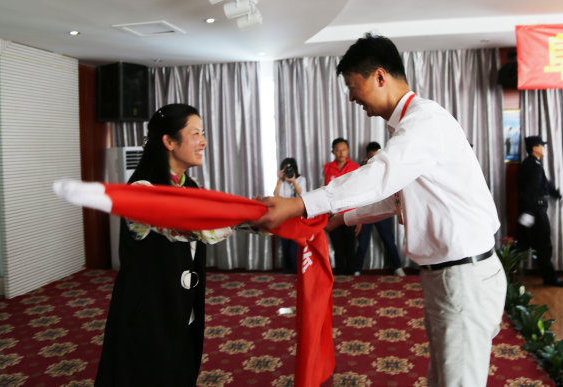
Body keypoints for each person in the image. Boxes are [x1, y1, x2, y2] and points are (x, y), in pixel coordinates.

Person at [255, 33, 506, 387]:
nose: (351, 97)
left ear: (379, 76)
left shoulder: (424, 121)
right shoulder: (408, 126)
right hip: (447, 276)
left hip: (463, 276)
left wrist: (299, 203)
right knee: (442, 379)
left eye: (352, 86)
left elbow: (380, 176)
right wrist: (339, 219)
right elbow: (394, 197)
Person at [95, 104, 233, 387]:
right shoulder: (141, 191)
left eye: (203, 133)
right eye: (195, 134)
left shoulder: (190, 186)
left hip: (181, 302)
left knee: (181, 370)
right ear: (169, 141)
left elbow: (216, 214)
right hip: (148, 311)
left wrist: (269, 215)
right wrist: (251, 216)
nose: (203, 142)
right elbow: (187, 227)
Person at [516, 135, 563, 287]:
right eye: (542, 145)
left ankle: (504, 275)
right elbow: (531, 190)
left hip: (530, 210)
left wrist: (559, 195)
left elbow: (544, 184)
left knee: (522, 246)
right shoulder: (534, 166)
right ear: (535, 148)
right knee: (543, 246)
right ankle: (550, 278)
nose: (544, 148)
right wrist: (530, 213)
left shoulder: (532, 164)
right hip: (535, 211)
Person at [355, 141, 405, 276]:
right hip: (365, 212)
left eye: (377, 157)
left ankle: (398, 267)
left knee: (389, 241)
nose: (374, 160)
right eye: (372, 157)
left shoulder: (385, 169)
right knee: (362, 244)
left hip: (381, 211)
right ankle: (357, 270)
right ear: (366, 157)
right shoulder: (360, 170)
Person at [323, 138, 361, 275]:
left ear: (348, 151)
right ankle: (339, 277)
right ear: (333, 152)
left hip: (350, 214)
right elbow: (323, 191)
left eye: (344, 149)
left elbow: (359, 192)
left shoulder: (355, 168)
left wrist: (359, 218)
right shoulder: (327, 168)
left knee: (350, 249)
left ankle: (350, 277)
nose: (341, 153)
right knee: (338, 249)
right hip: (333, 214)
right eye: (338, 150)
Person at [274, 157, 307, 274]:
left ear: (294, 169)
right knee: (285, 247)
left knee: (294, 247)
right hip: (284, 218)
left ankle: (296, 271)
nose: (287, 172)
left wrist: (293, 181)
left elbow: (304, 196)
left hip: (297, 218)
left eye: (289, 169)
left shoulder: (301, 179)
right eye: (284, 170)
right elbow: (276, 197)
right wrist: (279, 180)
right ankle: (287, 272)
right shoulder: (281, 182)